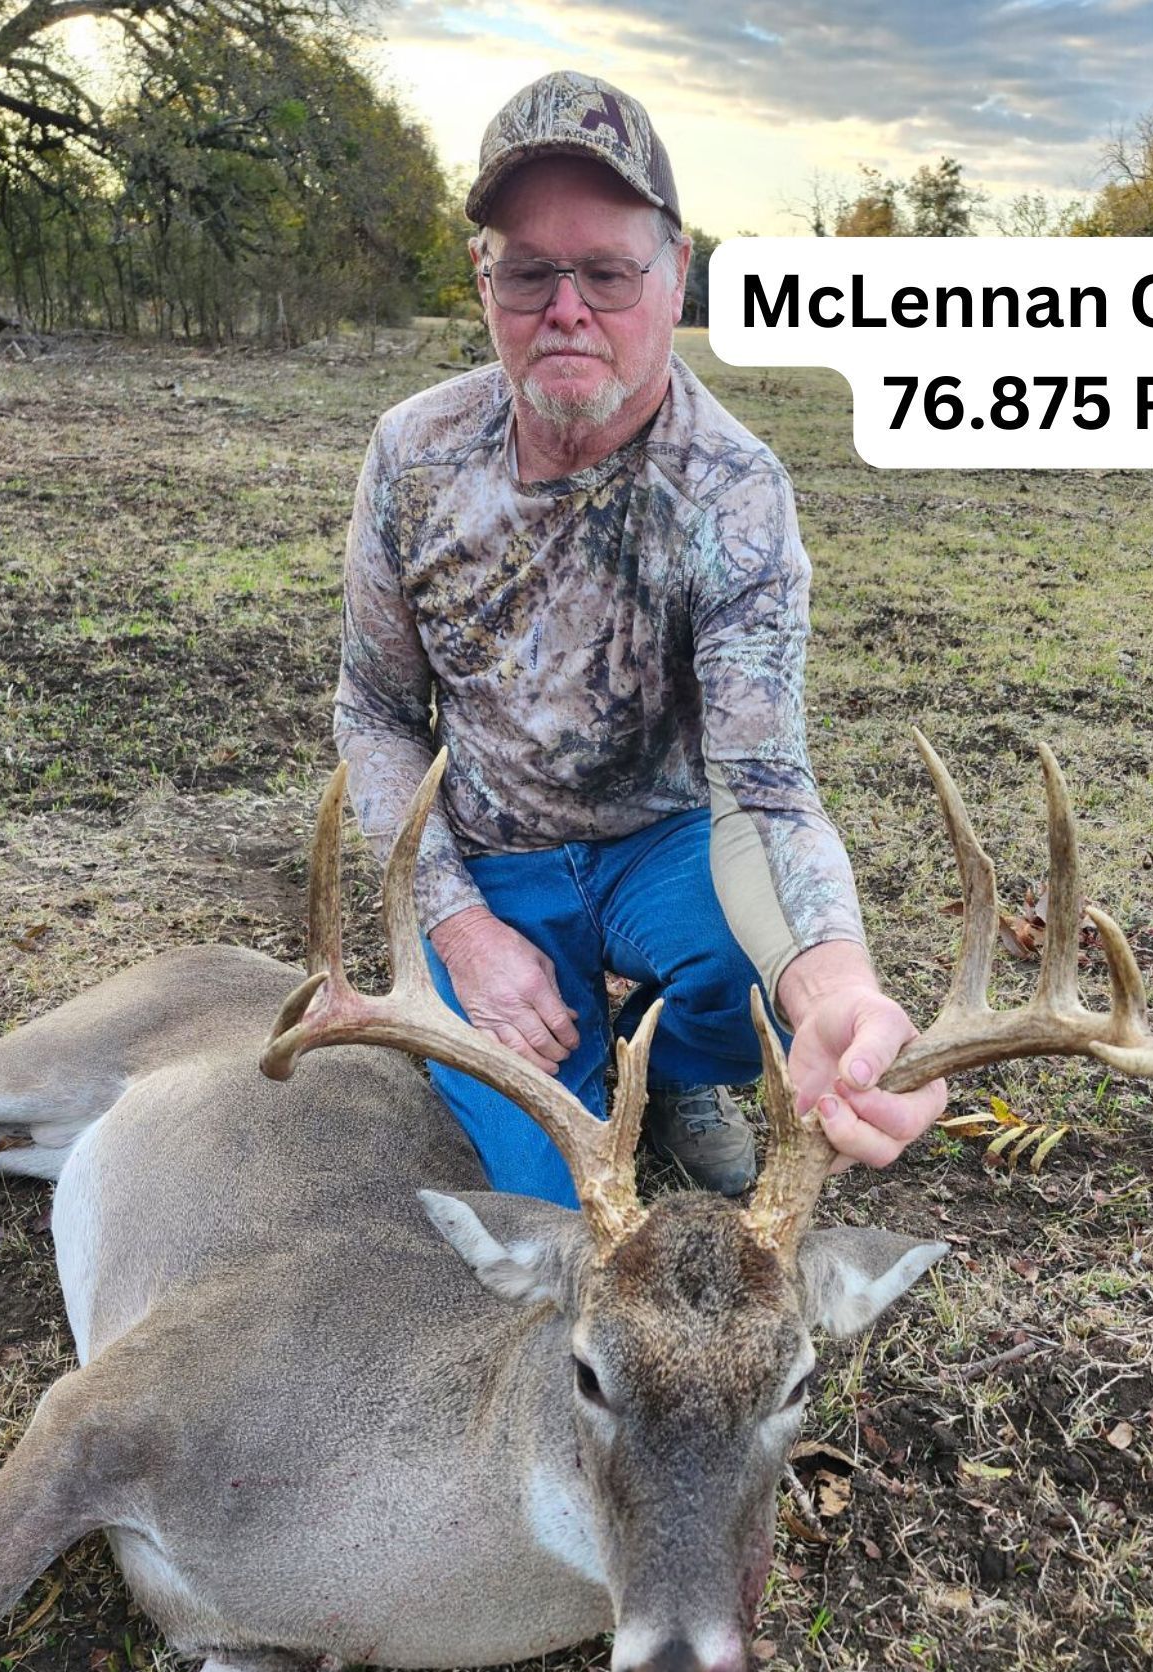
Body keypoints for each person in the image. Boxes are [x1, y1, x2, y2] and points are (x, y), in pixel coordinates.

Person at [335, 71, 948, 1207]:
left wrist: (835, 986)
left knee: (755, 981)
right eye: (528, 271)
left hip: (666, 845)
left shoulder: (733, 494)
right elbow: (371, 714)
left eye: (608, 272)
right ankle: (551, 1032)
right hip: (489, 858)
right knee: (544, 1202)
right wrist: (459, 925)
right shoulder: (412, 457)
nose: (566, 307)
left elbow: (763, 787)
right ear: (486, 285)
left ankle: (674, 1071)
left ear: (674, 279)